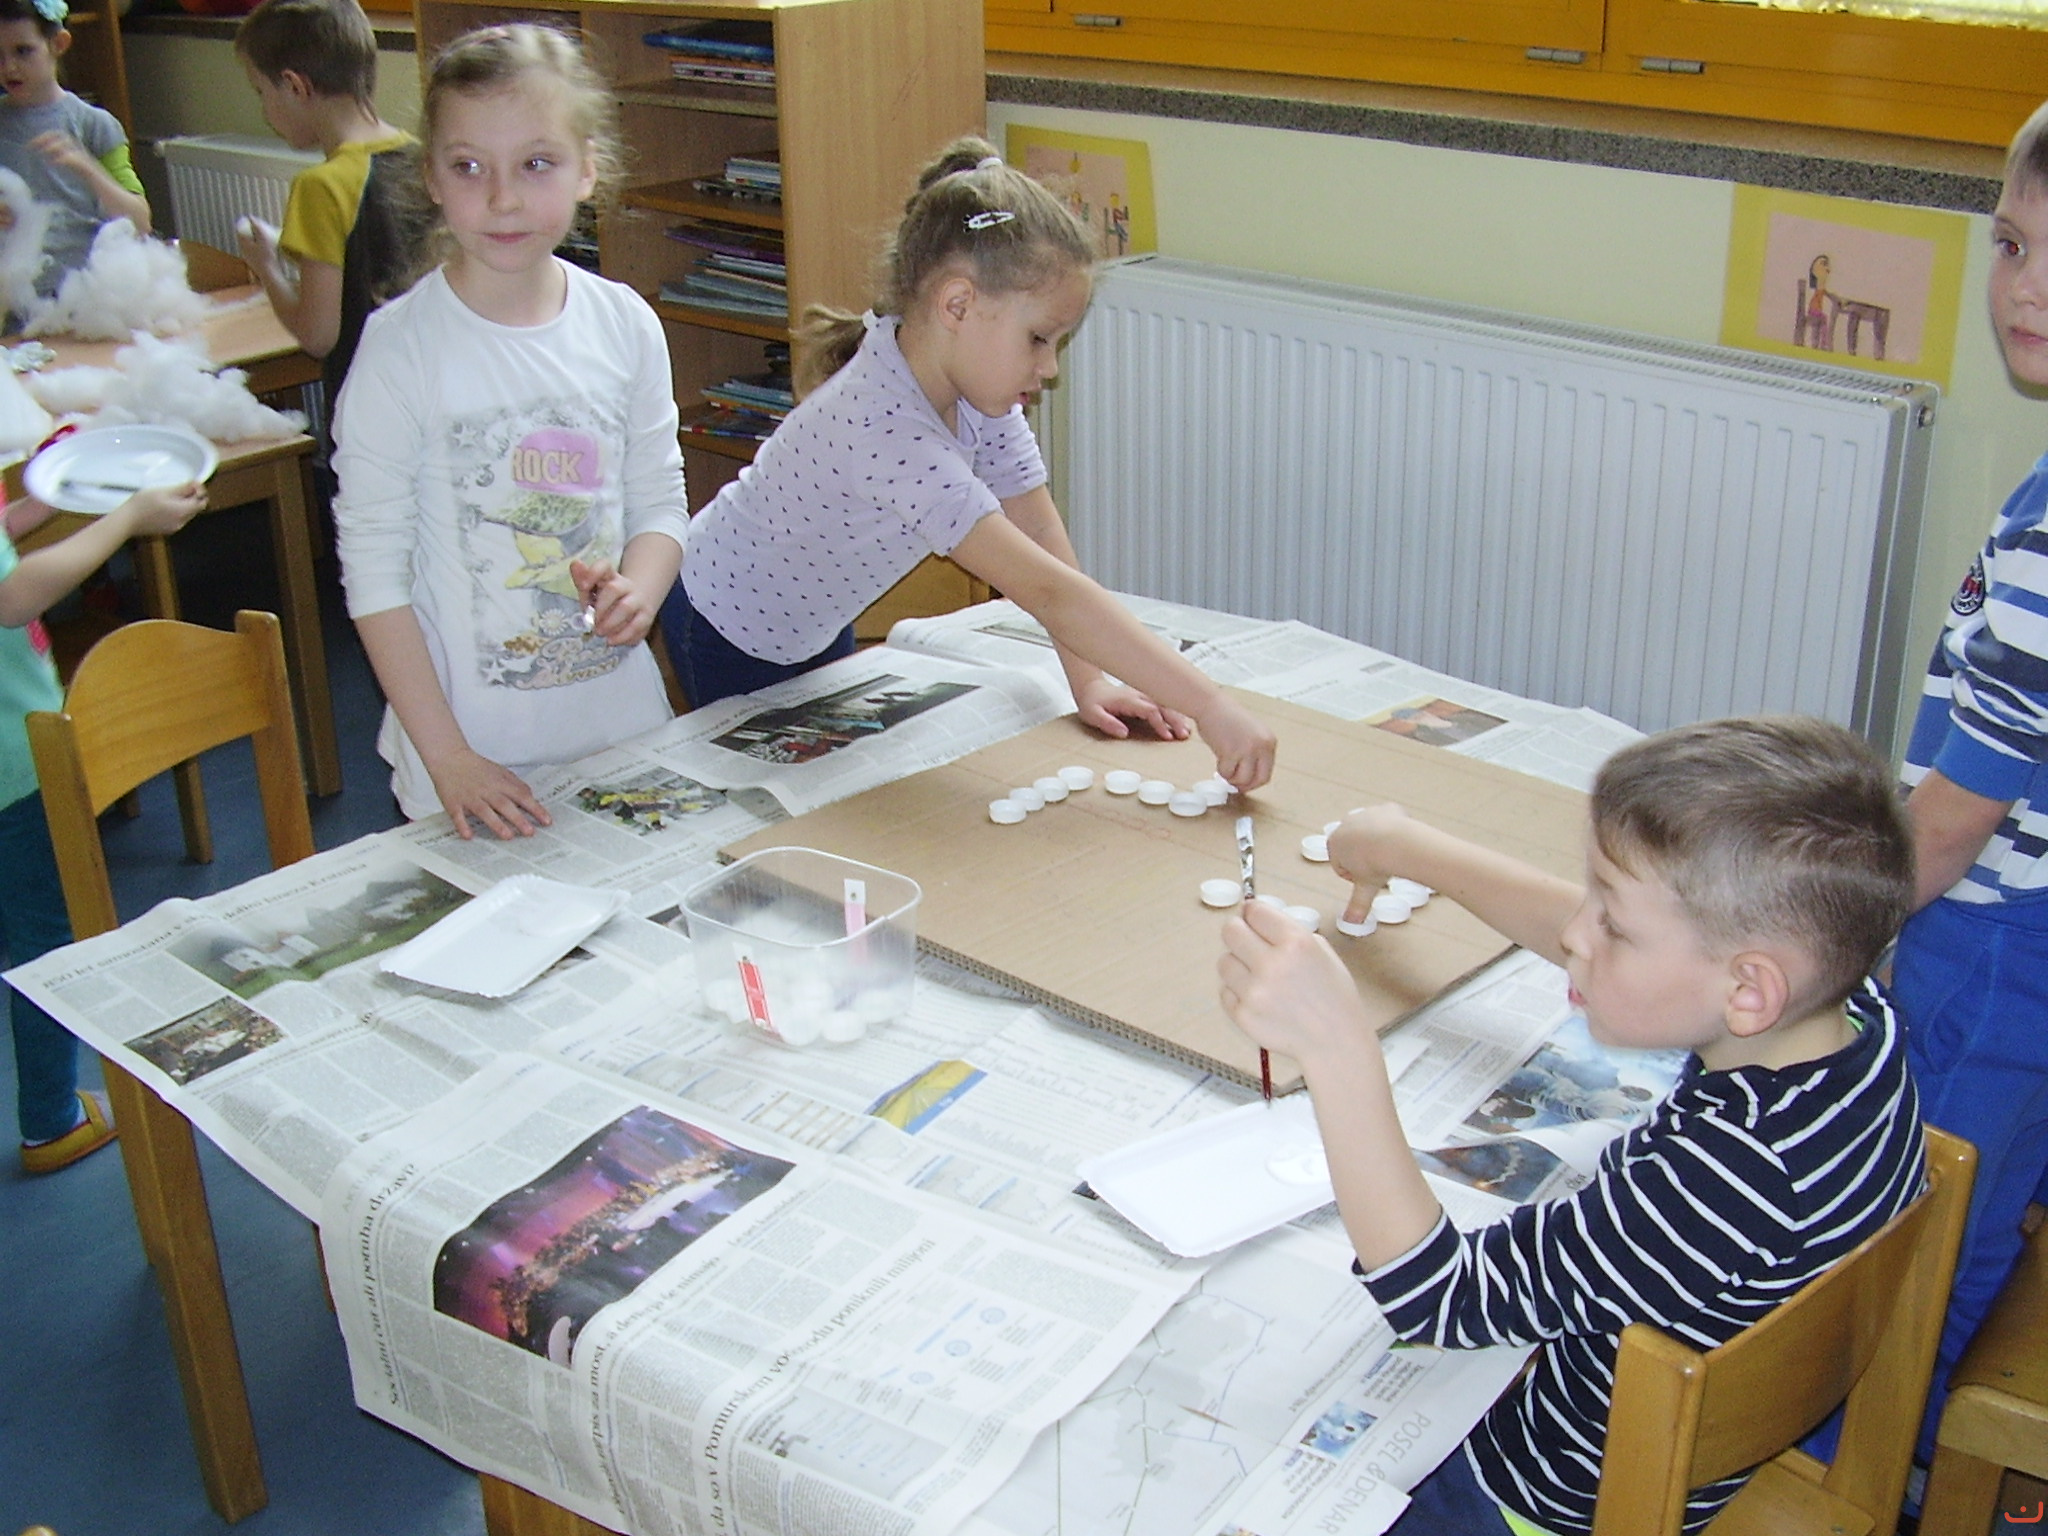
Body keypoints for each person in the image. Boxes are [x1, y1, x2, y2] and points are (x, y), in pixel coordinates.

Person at [1217, 716, 1924, 1536]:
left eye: (1612, 924)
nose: (1574, 934)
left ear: (1750, 992)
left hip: (1533, 1500)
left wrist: (1336, 1047)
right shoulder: (1854, 1019)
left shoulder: (1724, 1182)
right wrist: (1412, 851)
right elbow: (1657, 950)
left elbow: (1438, 1298)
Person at [660, 136, 1276, 792]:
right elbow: (1047, 591)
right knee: (775, 799)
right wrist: (1211, 705)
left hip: (815, 615)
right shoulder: (887, 427)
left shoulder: (980, 396)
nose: (1049, 367)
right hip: (726, 621)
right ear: (957, 305)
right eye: (1038, 339)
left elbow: (1040, 533)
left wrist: (1089, 680)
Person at [331, 23, 688, 839]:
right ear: (431, 176)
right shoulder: (400, 350)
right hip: (466, 764)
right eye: (469, 167)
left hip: (623, 736)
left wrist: (642, 587)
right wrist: (448, 757)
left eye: (536, 163)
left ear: (587, 167)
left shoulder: (625, 324)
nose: (502, 198)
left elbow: (661, 502)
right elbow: (375, 579)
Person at [1889, 95, 2048, 1465]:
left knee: (1920, 1242)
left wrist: (1814, 927)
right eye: (2009, 244)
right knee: (1987, 1193)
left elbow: (1949, 826)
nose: (2025, 288)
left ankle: (1867, 1463)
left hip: (1988, 943)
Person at [1, 481, 207, 1172]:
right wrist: (128, 519)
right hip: (13, 768)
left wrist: (29, 510)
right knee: (44, 942)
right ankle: (51, 1122)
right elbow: (13, 597)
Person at [232, 0, 414, 393]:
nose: (264, 110)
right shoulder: (424, 158)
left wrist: (267, 268)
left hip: (369, 403)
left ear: (295, 86)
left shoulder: (321, 187)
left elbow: (317, 336)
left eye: (261, 92)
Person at [0, 0, 151, 300]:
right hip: (12, 301)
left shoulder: (95, 124)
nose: (9, 67)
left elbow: (140, 223)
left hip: (87, 297)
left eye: (23, 51)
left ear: (58, 44)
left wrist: (88, 168)